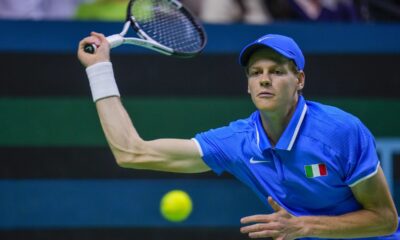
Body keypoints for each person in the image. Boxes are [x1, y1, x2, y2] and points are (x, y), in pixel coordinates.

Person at [77, 32, 399, 239]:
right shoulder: (238, 142)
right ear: (247, 85)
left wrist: (305, 225)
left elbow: (385, 219)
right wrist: (98, 70)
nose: (264, 80)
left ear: (299, 79)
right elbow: (132, 152)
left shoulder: (341, 132)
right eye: (256, 73)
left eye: (276, 71)